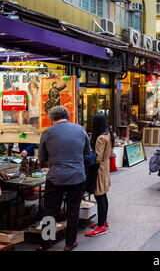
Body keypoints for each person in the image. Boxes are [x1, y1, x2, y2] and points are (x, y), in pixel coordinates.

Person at [37, 106, 91, 251]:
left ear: (52, 118)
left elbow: (41, 157)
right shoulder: (80, 130)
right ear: (67, 116)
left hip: (56, 178)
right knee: (73, 210)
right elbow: (87, 152)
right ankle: (70, 243)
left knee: (50, 210)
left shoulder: (47, 132)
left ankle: (46, 244)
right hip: (77, 177)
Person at [85, 113, 113, 237]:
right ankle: (103, 221)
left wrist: (87, 157)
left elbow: (97, 158)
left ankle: (101, 226)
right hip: (105, 167)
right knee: (103, 195)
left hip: (99, 169)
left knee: (99, 196)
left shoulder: (100, 138)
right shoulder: (108, 134)